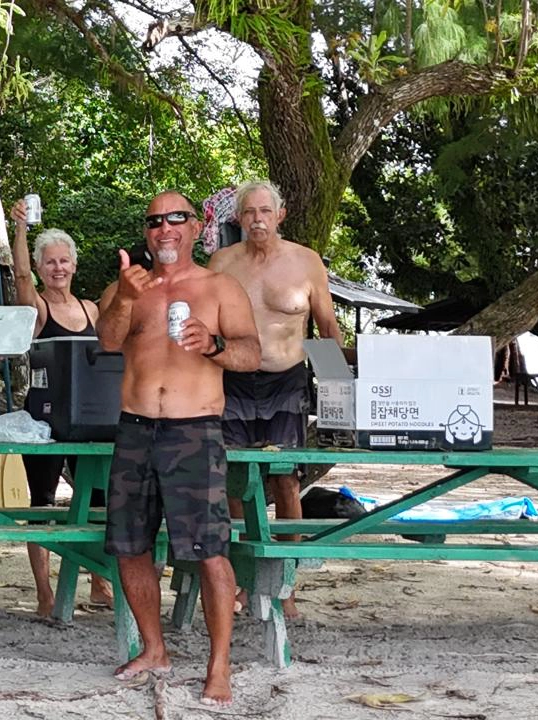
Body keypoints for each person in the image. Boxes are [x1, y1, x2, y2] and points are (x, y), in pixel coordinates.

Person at [96, 191, 261, 706]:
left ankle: (219, 665)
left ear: (196, 227)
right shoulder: (128, 287)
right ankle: (154, 648)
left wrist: (212, 345)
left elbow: (253, 354)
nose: (164, 228)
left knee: (210, 552)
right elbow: (106, 340)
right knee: (129, 546)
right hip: (135, 427)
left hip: (194, 431)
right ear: (146, 232)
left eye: (176, 219)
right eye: (154, 221)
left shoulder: (220, 286)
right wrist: (124, 295)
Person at [207, 179, 347, 620]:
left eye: (265, 212)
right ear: (238, 218)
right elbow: (207, 326)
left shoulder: (307, 262)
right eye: (249, 213)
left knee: (287, 480)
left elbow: (327, 326)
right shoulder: (222, 263)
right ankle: (245, 582)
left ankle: (285, 585)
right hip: (232, 377)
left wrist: (339, 393)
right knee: (234, 479)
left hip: (287, 380)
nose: (258, 220)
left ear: (280, 215)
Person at [8, 199, 113, 616]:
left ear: (74, 264)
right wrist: (20, 230)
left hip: (89, 418)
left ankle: (99, 582)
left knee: (98, 500)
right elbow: (19, 278)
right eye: (49, 262)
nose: (58, 268)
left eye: (64, 261)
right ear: (40, 266)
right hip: (44, 417)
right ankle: (44, 593)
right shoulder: (38, 308)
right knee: (43, 502)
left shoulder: (91, 309)